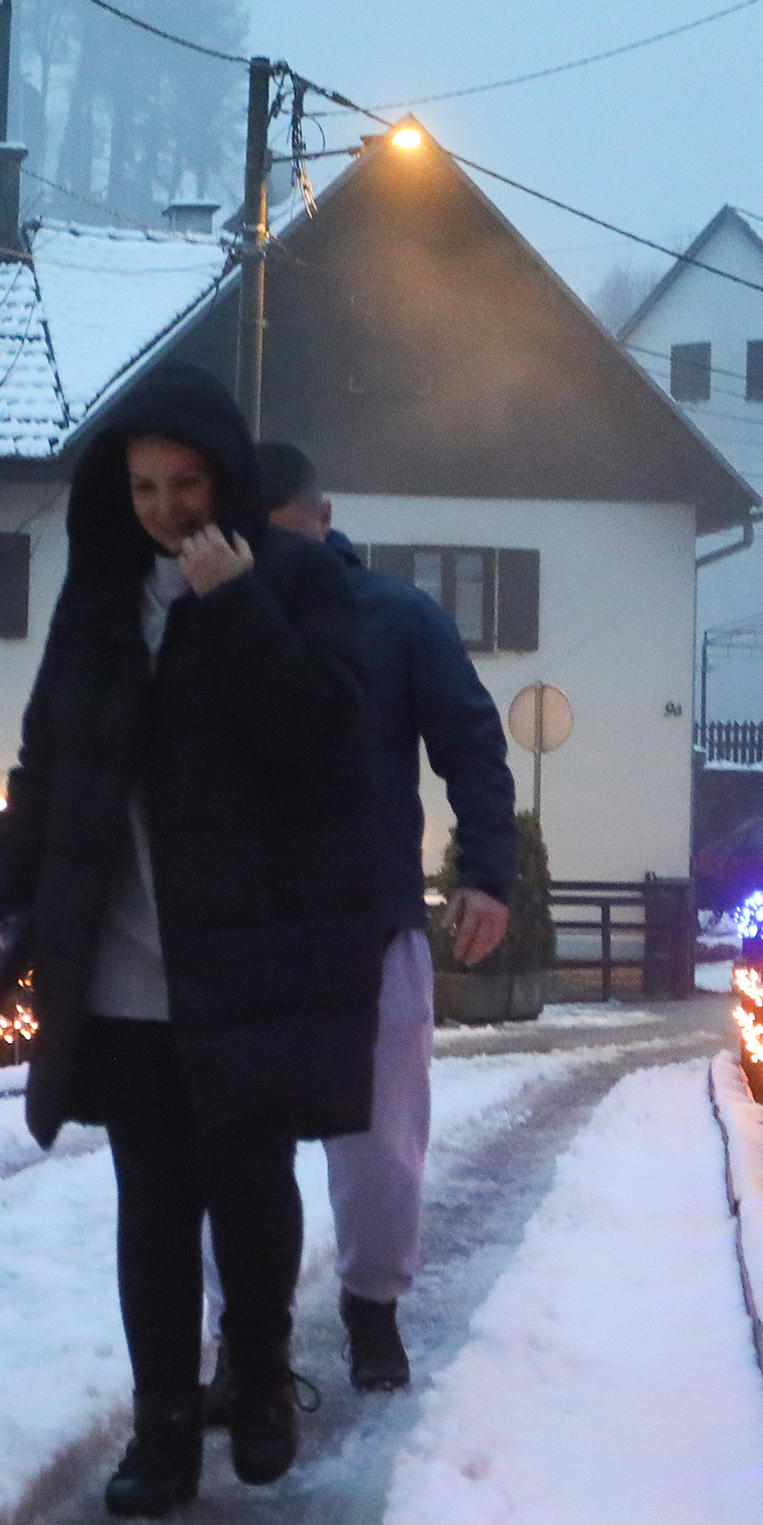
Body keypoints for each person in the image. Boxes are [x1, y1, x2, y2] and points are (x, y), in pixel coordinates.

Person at [0, 363, 379, 1519]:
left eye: (184, 481)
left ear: (224, 477)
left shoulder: (293, 580)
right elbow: (51, 757)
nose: (164, 507)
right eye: (143, 485)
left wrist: (234, 606)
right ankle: (159, 1430)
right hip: (121, 946)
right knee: (150, 1198)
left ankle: (255, 1380)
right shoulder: (96, 596)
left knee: (247, 1185)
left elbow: (324, 735)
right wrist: (2, 872)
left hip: (244, 953)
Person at [260, 443, 515, 1392]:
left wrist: (487, 872)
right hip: (240, 924)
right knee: (236, 1148)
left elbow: (470, 742)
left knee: (382, 1140)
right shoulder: (214, 622)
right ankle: (253, 1334)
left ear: (322, 520)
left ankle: (373, 1308)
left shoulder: (399, 619)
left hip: (371, 918)